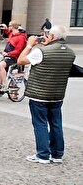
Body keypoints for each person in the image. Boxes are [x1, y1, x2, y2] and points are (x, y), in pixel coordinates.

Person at [18, 24, 75, 164]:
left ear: (52, 37)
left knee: (40, 124)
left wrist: (30, 45)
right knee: (56, 123)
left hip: (39, 95)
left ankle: (42, 154)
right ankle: (57, 154)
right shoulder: (71, 53)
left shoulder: (41, 51)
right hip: (57, 95)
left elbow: (21, 60)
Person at [0, 21, 27, 89]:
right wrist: (5, 29)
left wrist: (8, 53)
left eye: (9, 26)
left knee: (1, 65)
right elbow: (8, 32)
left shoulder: (21, 37)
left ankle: (4, 84)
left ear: (13, 27)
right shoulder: (13, 34)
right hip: (8, 57)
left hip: (14, 58)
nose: (9, 27)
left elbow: (18, 50)